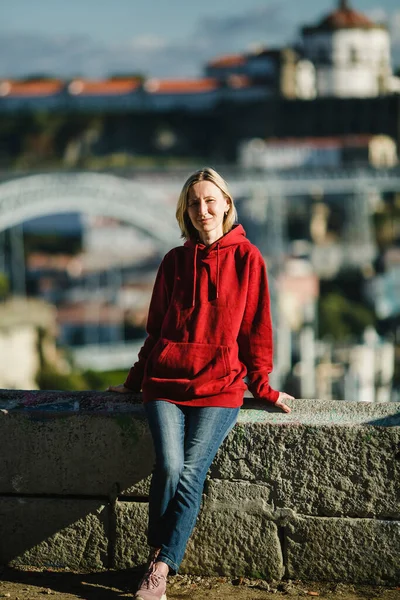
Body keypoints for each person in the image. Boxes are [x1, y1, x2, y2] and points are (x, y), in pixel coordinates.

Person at [107, 167, 294, 600]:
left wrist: (263, 388)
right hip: (166, 383)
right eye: (194, 203)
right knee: (169, 466)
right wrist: (135, 381)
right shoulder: (173, 262)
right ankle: (160, 554)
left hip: (221, 387)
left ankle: (159, 567)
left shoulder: (249, 259)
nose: (203, 210)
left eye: (211, 201)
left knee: (192, 472)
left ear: (227, 204)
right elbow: (155, 331)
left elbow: (256, 331)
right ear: (185, 211)